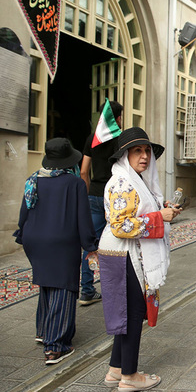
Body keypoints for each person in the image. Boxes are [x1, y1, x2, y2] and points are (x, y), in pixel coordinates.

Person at [97, 127, 181, 392]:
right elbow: (121, 225)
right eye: (137, 150)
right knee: (132, 314)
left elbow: (136, 212)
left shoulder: (134, 179)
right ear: (125, 155)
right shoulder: (123, 182)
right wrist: (160, 218)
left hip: (123, 253)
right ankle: (130, 376)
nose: (144, 156)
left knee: (126, 313)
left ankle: (116, 369)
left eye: (146, 150)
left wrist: (162, 209)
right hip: (124, 253)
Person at [14, 138, 98, 365]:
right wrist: (90, 245)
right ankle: (56, 346)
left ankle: (43, 331)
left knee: (47, 282)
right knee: (64, 287)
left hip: (34, 240)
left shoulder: (33, 179)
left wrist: (22, 234)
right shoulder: (75, 183)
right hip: (61, 242)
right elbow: (83, 218)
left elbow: (25, 212)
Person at [79, 100, 124, 306]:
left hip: (94, 195)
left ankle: (87, 289)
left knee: (91, 244)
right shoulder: (119, 139)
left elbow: (83, 171)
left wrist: (85, 195)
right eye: (120, 117)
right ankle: (114, 288)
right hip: (114, 197)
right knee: (116, 242)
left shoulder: (92, 138)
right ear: (116, 118)